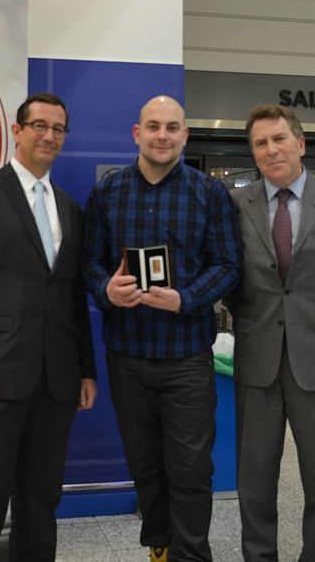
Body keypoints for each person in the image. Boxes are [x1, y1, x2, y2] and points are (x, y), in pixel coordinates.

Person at [82, 95, 240, 562]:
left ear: (185, 136)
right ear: (137, 133)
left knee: (190, 469)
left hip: (187, 356)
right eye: (153, 126)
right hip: (127, 354)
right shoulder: (108, 193)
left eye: (172, 127)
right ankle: (160, 549)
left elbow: (228, 264)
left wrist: (186, 299)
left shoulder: (208, 193)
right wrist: (106, 288)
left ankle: (192, 556)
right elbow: (88, 262)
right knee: (146, 467)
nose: (162, 135)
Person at [0, 93, 97, 562]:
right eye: (40, 126)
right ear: (18, 130)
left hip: (55, 382)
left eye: (58, 129)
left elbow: (71, 297)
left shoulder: (69, 207)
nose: (49, 136)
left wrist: (85, 370)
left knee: (40, 498)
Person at [226, 104, 315, 562]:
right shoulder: (236, 203)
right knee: (254, 479)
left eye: (279, 139)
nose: (271, 149)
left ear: (301, 143)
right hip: (257, 360)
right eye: (260, 143)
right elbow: (230, 281)